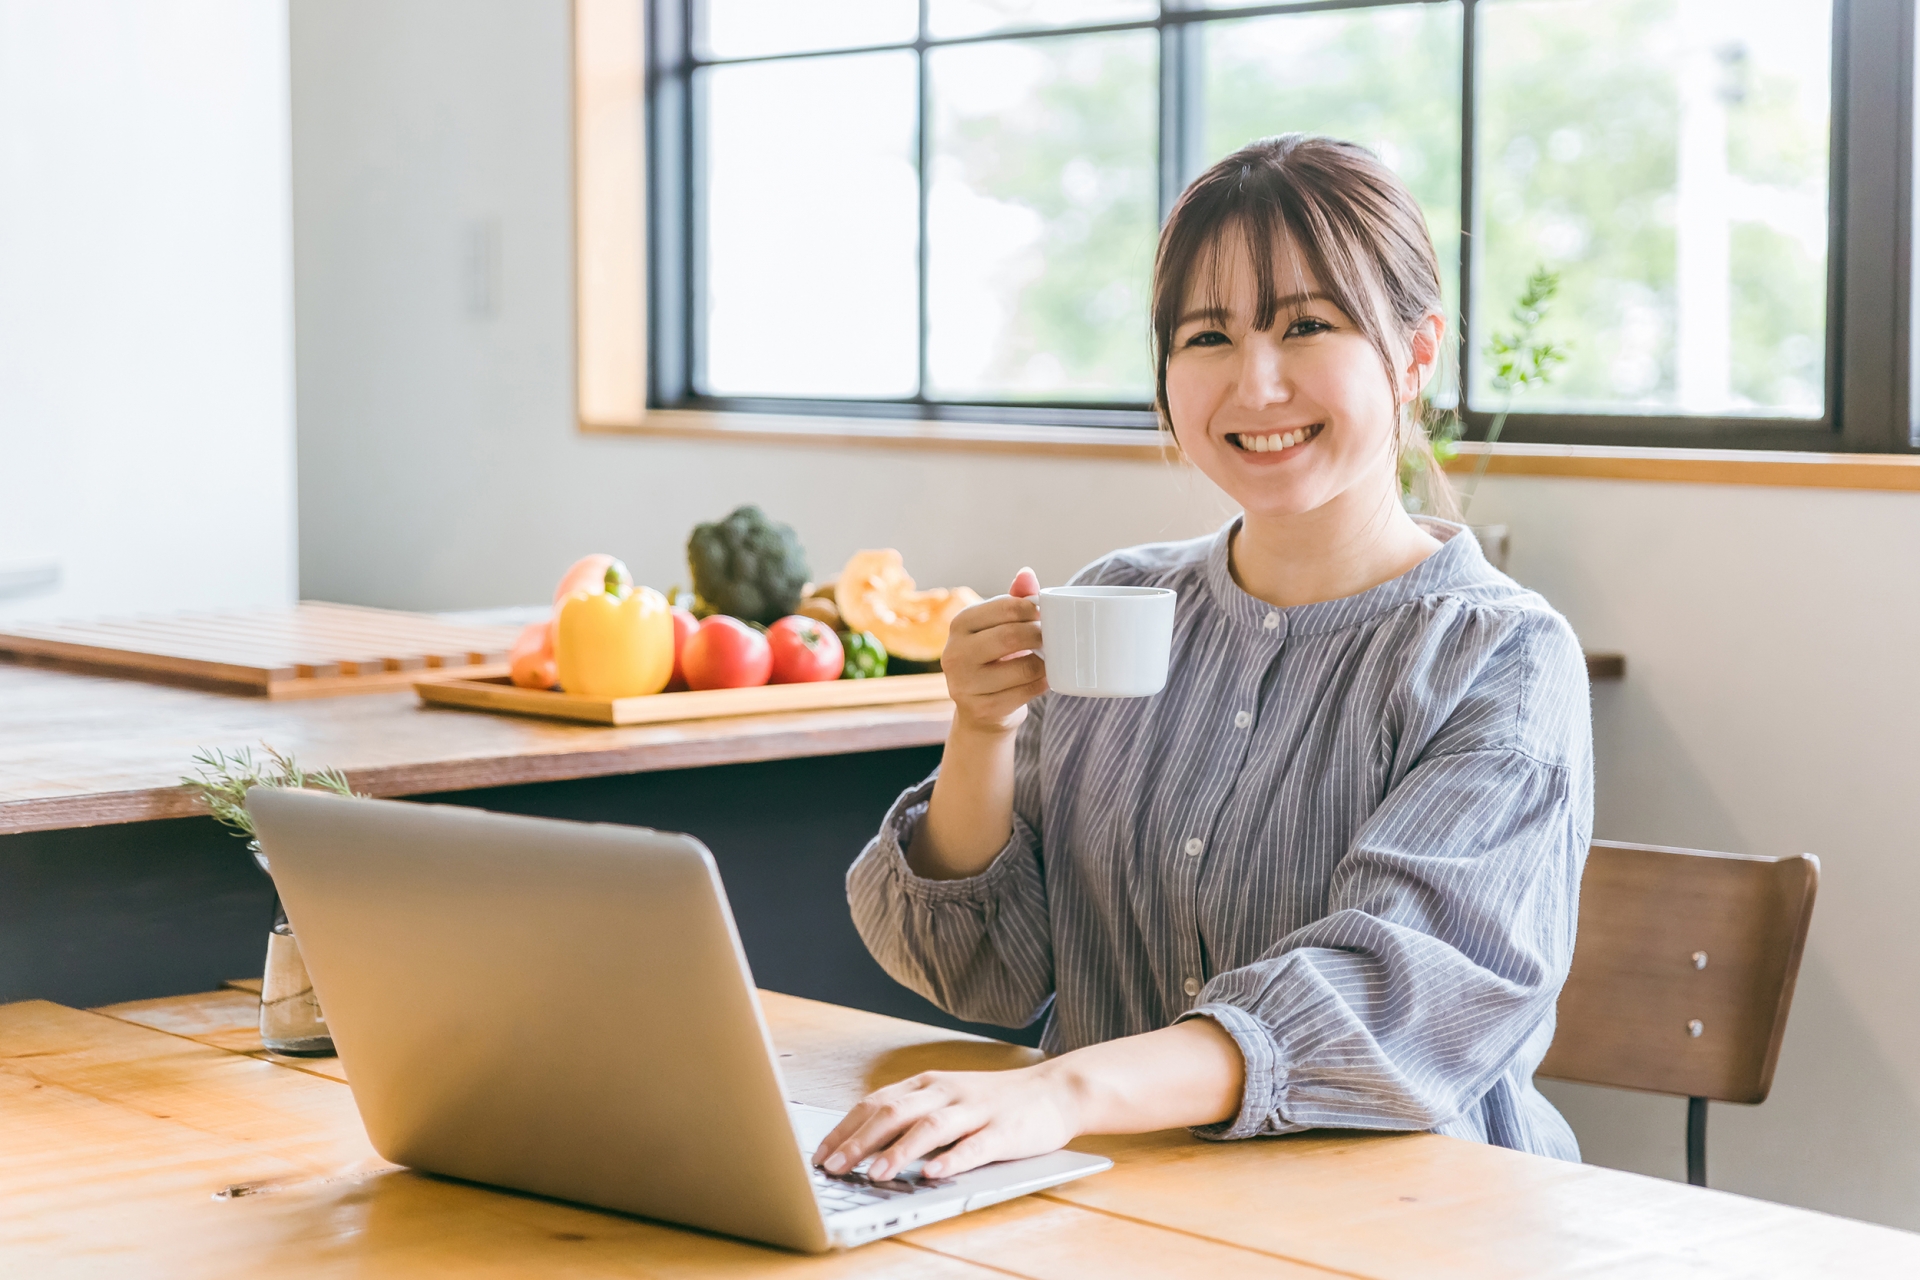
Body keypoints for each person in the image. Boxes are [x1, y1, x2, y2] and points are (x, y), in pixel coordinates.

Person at [814, 134, 1593, 1184]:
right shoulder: (1122, 599)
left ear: (1415, 353)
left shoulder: (1500, 655)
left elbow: (1386, 995)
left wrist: (1061, 1089)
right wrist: (982, 727)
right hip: (1108, 1199)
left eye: (1307, 325)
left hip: (1406, 1221)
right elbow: (984, 972)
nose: (1255, 384)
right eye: (1209, 336)